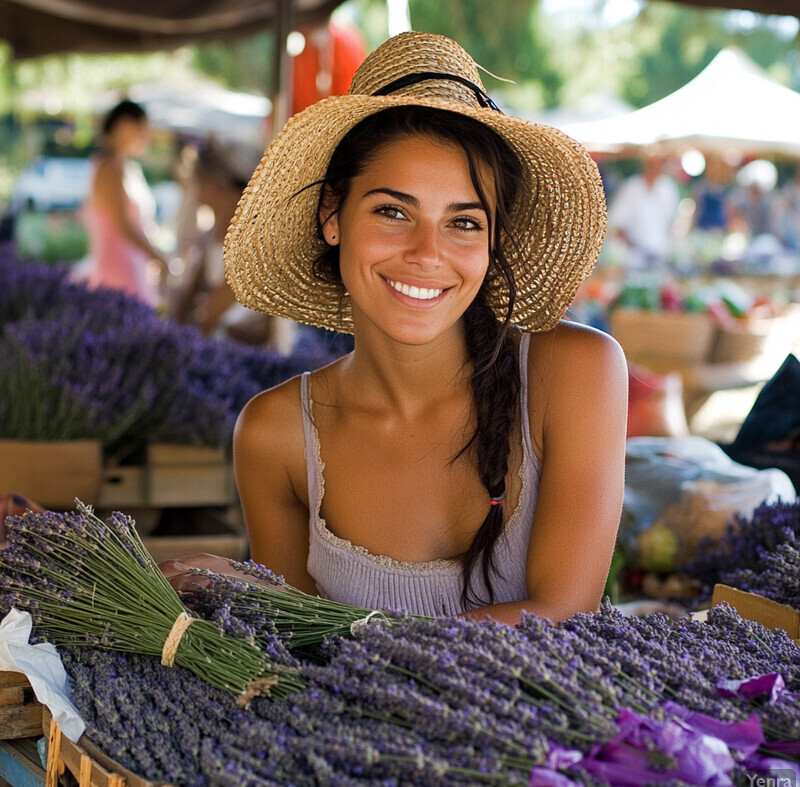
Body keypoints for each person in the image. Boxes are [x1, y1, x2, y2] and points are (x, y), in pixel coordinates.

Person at [161, 31, 628, 625]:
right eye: (392, 211)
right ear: (332, 215)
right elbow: (293, 664)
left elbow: (560, 616)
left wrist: (290, 607)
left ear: (494, 241)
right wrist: (257, 607)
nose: (427, 253)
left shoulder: (574, 375)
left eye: (463, 222)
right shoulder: (276, 436)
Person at [172, 137, 274, 345]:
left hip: (246, 351)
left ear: (218, 185)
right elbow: (192, 292)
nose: (197, 192)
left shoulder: (252, 237)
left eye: (200, 181)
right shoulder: (214, 231)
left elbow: (216, 309)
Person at [82, 99, 167, 307]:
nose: (146, 136)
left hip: (130, 265)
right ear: (125, 126)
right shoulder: (110, 169)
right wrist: (158, 258)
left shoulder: (121, 166)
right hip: (120, 268)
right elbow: (123, 226)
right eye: (143, 128)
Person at [607, 151, 680, 274]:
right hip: (633, 259)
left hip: (659, 255)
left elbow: (670, 221)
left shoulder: (668, 188)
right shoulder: (631, 188)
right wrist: (636, 247)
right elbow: (618, 223)